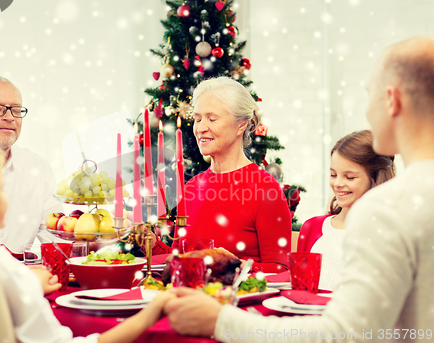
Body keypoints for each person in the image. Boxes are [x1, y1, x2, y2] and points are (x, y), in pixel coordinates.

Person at [164, 36, 434, 342]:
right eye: (198, 118)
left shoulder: (385, 209)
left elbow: (346, 334)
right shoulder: (402, 203)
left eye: (369, 96)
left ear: (392, 100)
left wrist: (221, 321)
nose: (368, 111)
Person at [0, 140, 173, 343]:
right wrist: (152, 311)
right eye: (1, 188)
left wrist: (28, 282)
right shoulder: (6, 269)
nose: (6, 195)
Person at [151, 76, 292, 273]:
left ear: (241, 124)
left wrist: (234, 265)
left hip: (236, 302)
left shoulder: (265, 188)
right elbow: (181, 260)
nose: (200, 128)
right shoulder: (192, 187)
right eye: (198, 119)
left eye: (212, 118)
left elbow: (281, 270)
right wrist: (151, 245)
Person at [0, 76, 63, 255]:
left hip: (22, 279)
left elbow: (57, 241)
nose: (10, 117)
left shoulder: (38, 169)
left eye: (16, 110)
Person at [297, 130, 395, 290]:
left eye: (350, 177)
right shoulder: (311, 227)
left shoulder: (385, 234)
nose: (337, 183)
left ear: (376, 178)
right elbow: (298, 291)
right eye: (333, 174)